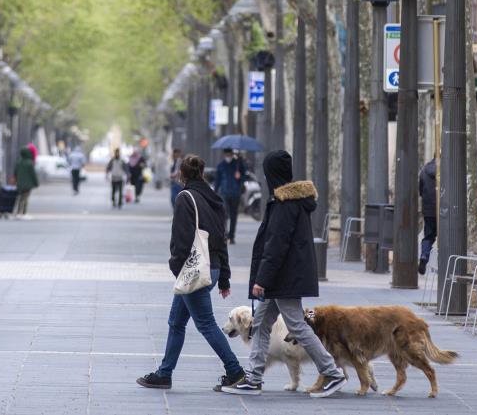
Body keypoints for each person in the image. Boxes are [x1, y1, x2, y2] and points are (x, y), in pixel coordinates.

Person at [223, 150, 346, 398]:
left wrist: (262, 280)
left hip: (284, 278)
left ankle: (332, 373)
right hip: (284, 276)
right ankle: (254, 378)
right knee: (261, 324)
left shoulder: (284, 205)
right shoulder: (292, 202)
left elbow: (276, 246)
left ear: (272, 175)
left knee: (297, 325)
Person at [136, 154, 246, 392]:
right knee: (176, 321)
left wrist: (177, 268)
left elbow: (182, 240)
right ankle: (164, 374)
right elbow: (222, 240)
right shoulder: (214, 198)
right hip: (212, 267)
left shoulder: (184, 198)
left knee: (206, 323)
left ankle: (235, 371)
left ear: (181, 174)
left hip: (194, 270)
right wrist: (224, 277)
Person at [214, 149, 247, 244]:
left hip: (235, 193)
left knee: (233, 215)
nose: (228, 156)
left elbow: (244, 176)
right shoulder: (220, 166)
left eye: (230, 154)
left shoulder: (238, 165)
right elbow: (218, 181)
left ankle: (232, 236)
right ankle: (225, 234)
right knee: (224, 214)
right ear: (224, 154)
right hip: (224, 193)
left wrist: (240, 176)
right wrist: (215, 192)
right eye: (226, 154)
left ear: (232, 154)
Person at [418, 158, 437, 275]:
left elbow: (420, 190)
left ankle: (424, 255)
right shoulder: (446, 169)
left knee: (428, 236)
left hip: (428, 210)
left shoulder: (425, 170)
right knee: (446, 238)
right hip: (444, 211)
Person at [14, 147, 39, 219]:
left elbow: (15, 172)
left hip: (19, 184)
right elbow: (33, 174)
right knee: (25, 199)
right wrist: (36, 183)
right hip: (28, 185)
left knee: (20, 198)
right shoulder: (29, 163)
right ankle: (24, 213)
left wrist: (16, 180)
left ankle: (18, 213)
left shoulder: (19, 162)